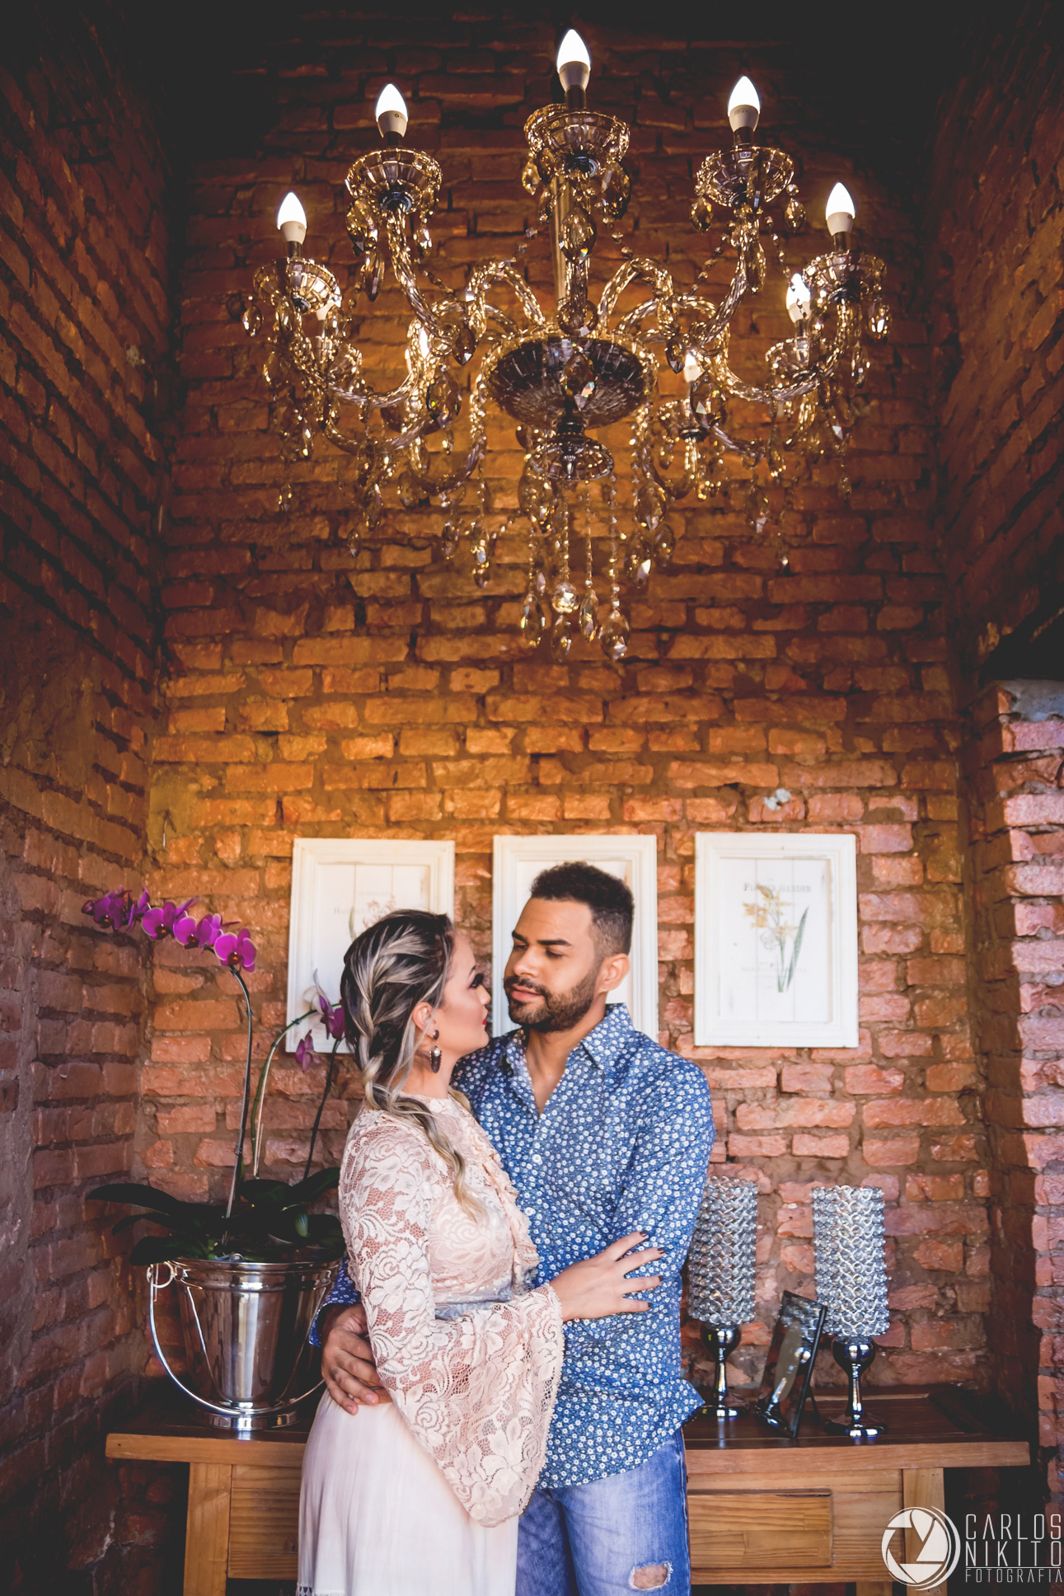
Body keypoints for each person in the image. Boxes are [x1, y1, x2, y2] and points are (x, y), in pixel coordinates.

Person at [317, 865, 716, 1596]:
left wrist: (436, 1341)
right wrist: (341, 1319)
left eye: (553, 952)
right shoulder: (466, 1081)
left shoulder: (665, 1091)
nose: (521, 967)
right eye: (517, 943)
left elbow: (637, 1283)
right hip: (472, 1443)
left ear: (611, 970)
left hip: (609, 1430)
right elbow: (395, 1236)